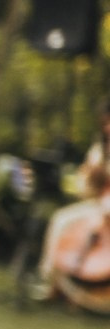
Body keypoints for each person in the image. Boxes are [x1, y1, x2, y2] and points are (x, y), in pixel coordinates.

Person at [38, 97, 110, 294]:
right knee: (61, 220)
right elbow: (84, 189)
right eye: (106, 122)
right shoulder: (99, 151)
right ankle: (51, 280)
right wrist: (90, 177)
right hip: (99, 207)